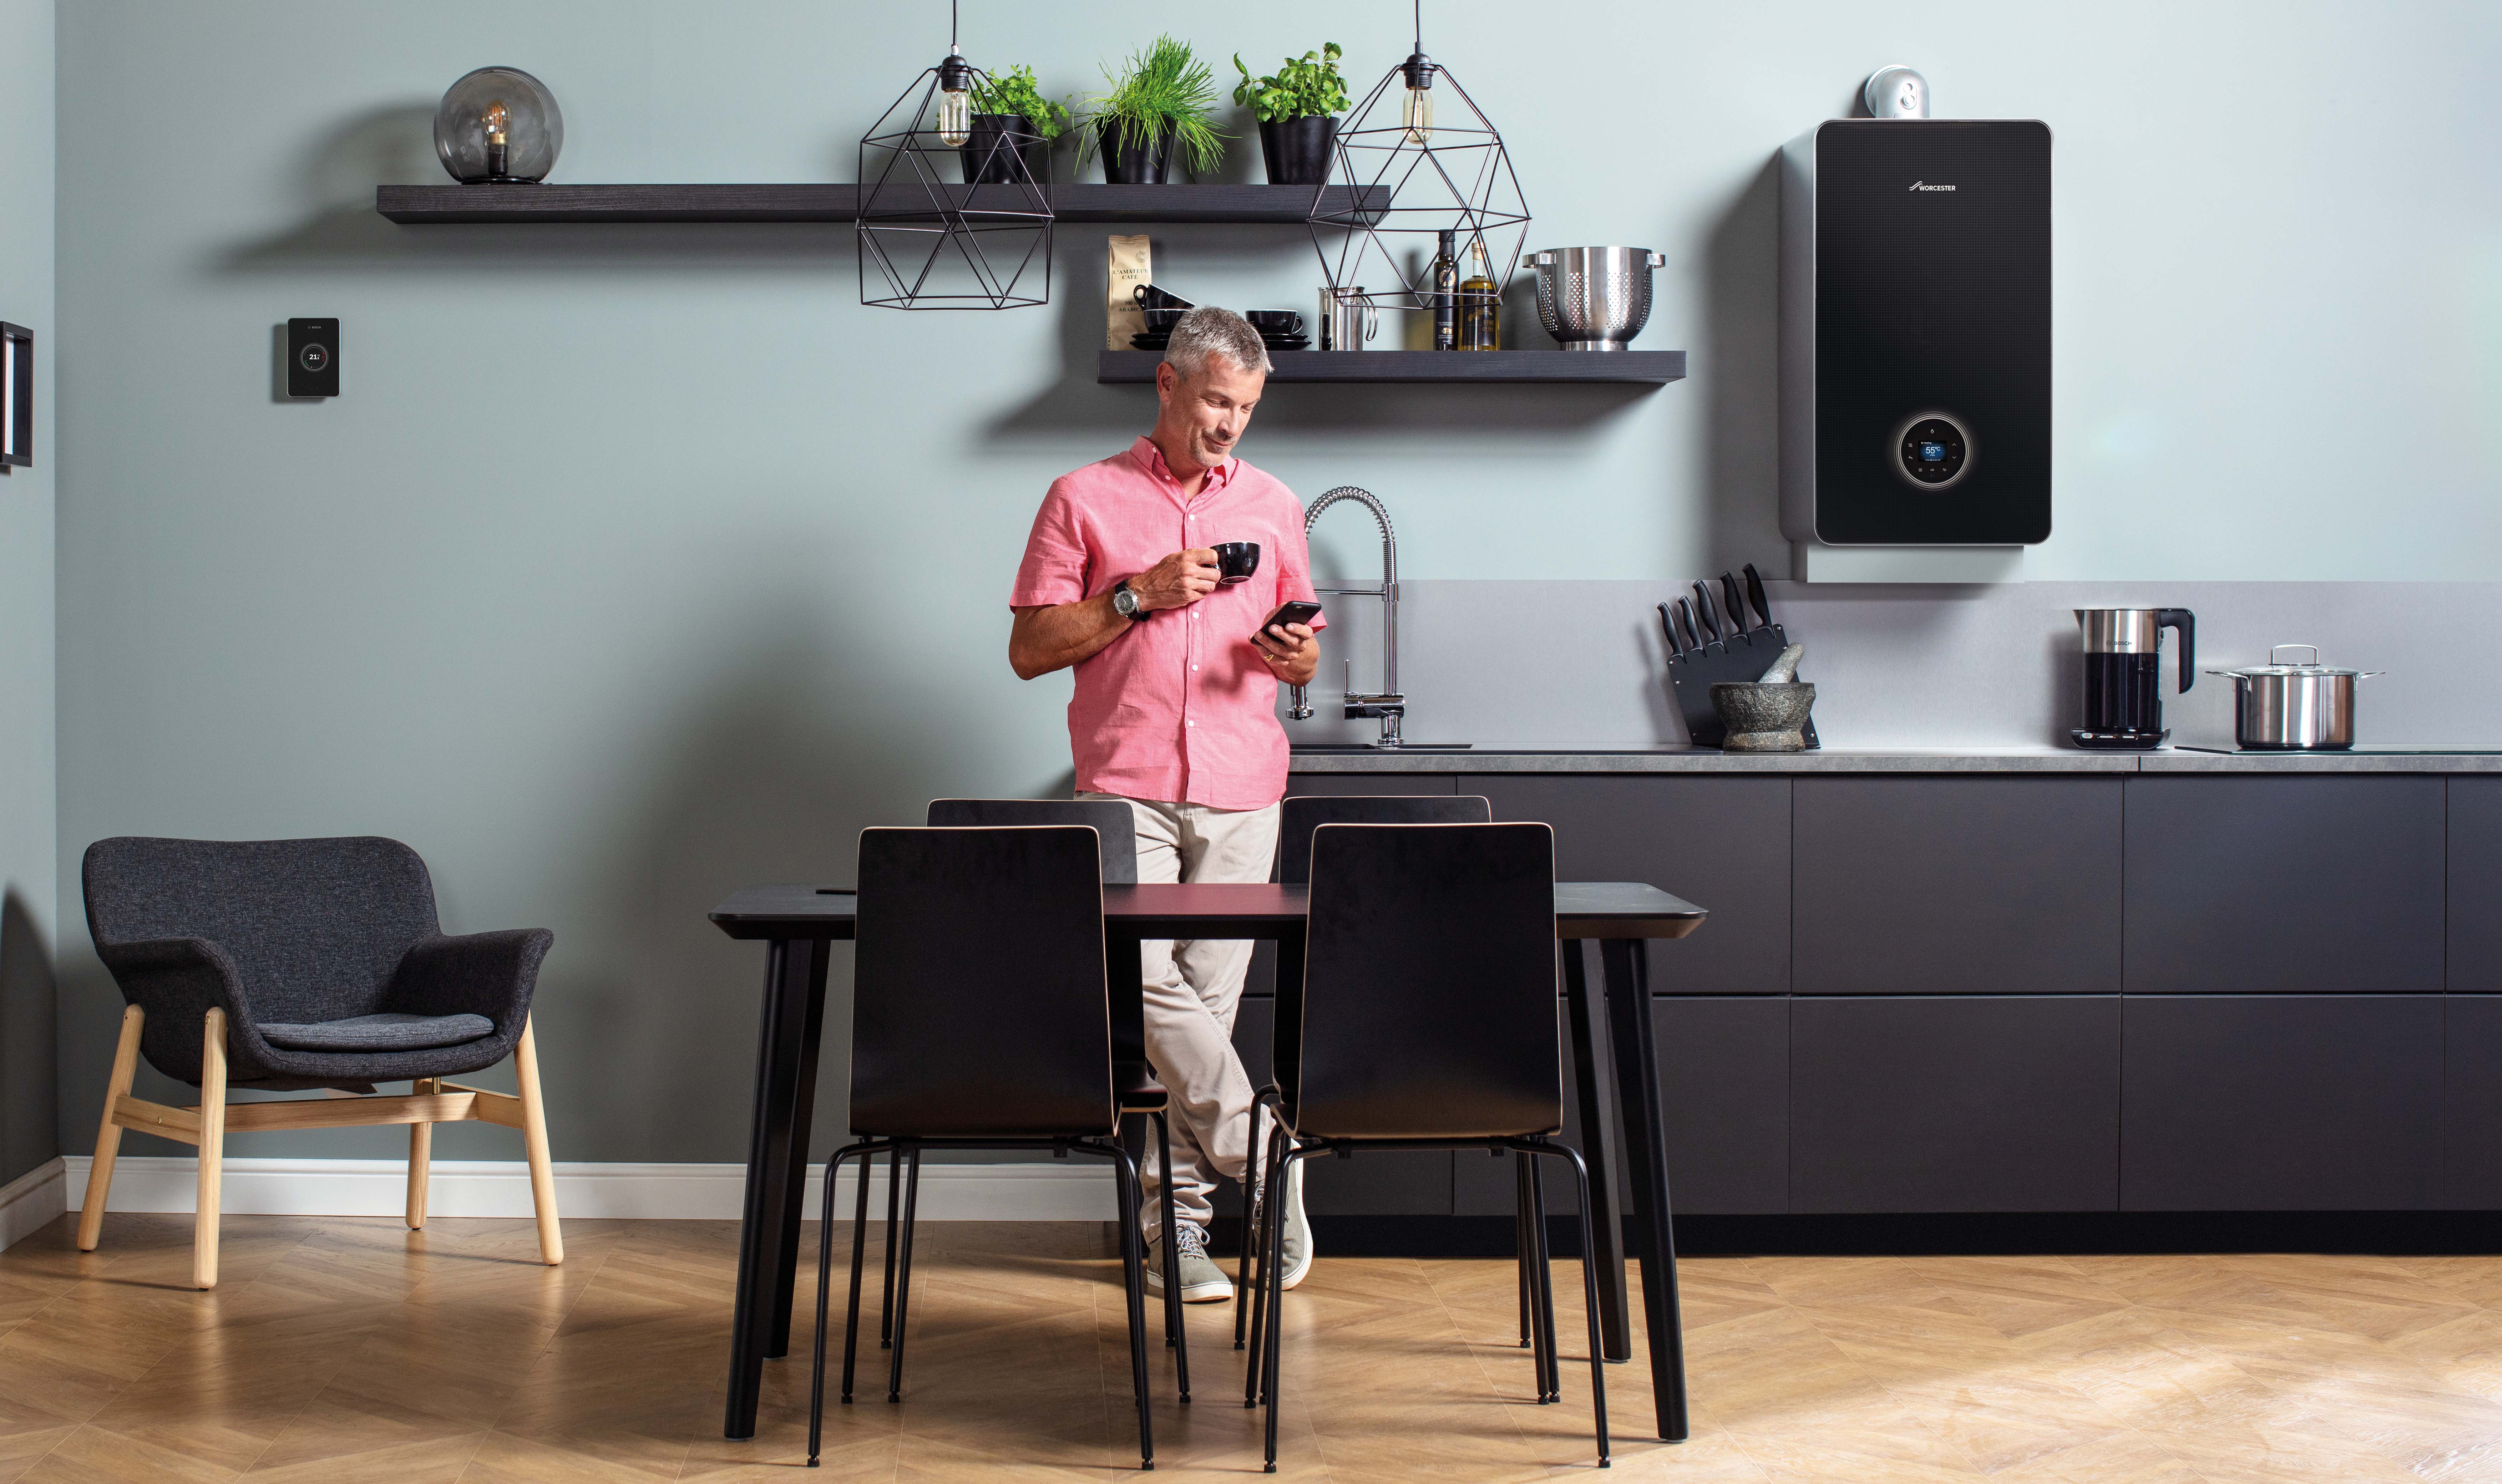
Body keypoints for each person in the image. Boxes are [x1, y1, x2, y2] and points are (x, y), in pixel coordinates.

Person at [1008, 306, 1321, 1303]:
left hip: (1242, 788)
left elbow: (1304, 646)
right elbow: (1028, 650)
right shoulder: (1081, 499)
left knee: (1205, 1017)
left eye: (1245, 409)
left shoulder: (1274, 505)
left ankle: (1177, 1233)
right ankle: (1264, 1154)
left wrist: (1298, 658)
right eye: (1216, 402)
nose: (1229, 424)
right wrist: (1136, 596)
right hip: (1125, 785)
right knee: (1143, 991)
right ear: (1168, 387)